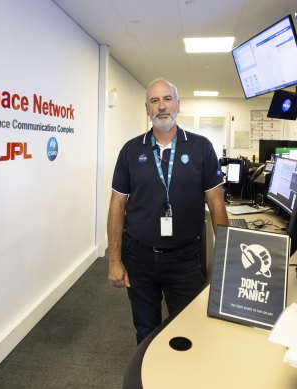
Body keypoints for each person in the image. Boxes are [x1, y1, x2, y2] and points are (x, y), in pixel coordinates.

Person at [107, 78, 228, 344]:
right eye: (154, 101)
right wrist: (115, 260)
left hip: (184, 259)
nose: (162, 106)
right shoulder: (130, 150)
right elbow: (117, 206)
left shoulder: (201, 147)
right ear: (147, 109)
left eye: (167, 99)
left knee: (187, 331)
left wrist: (226, 258)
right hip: (138, 257)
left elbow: (216, 204)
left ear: (178, 105)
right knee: (145, 330)